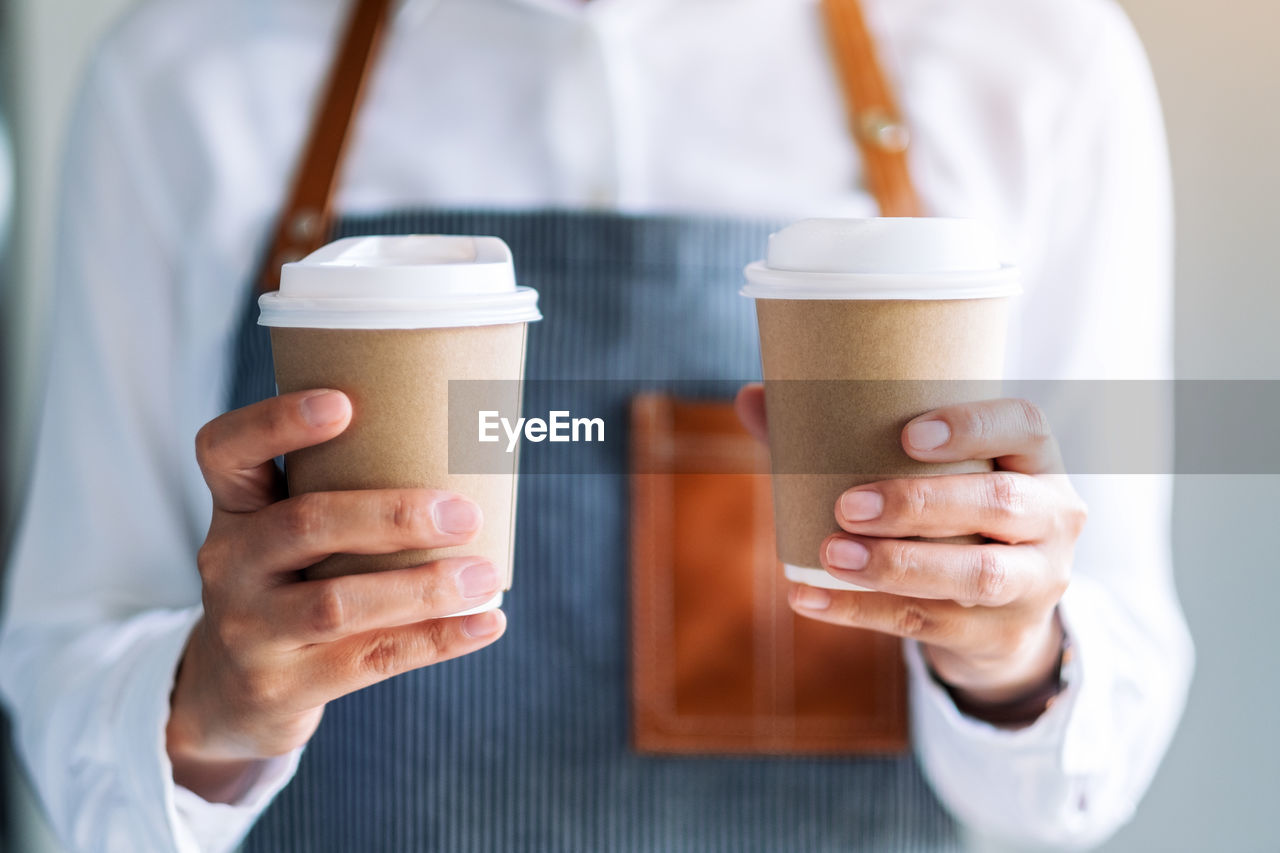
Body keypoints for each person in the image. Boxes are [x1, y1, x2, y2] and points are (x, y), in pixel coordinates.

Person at [0, 0, 1193, 851]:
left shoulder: (1035, 59)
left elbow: (1087, 770)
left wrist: (1005, 653)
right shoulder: (191, 68)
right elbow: (70, 683)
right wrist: (212, 712)